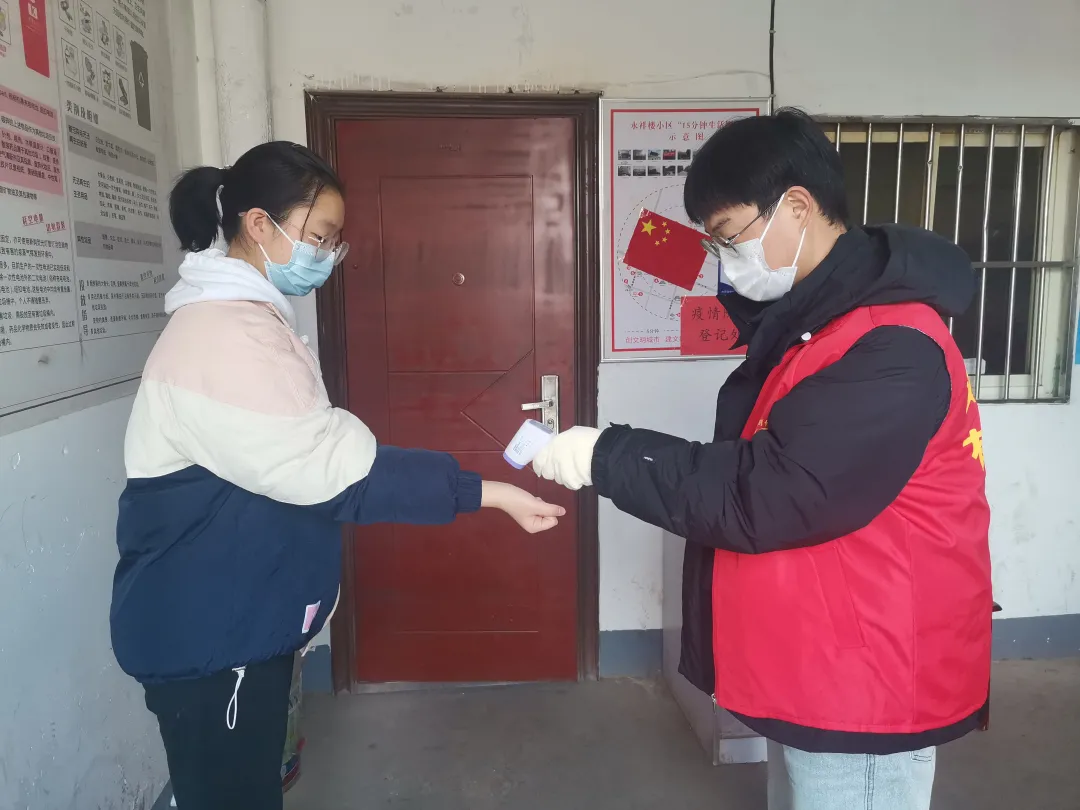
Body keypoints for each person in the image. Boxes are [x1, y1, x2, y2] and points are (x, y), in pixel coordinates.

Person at [534, 109, 992, 810]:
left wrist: (610, 455)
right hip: (825, 660)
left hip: (869, 680)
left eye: (729, 237)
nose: (724, 260)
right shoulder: (819, 325)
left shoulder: (890, 344)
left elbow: (768, 495)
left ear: (797, 207)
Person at [110, 141, 565, 810]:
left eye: (333, 241)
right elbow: (337, 471)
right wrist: (489, 493)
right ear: (258, 224)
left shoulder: (242, 319)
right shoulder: (224, 336)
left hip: (228, 622)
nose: (327, 255)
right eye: (319, 237)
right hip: (211, 637)